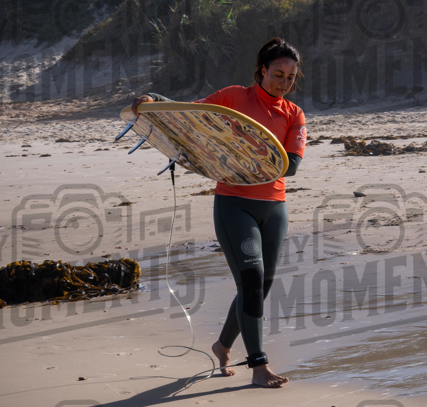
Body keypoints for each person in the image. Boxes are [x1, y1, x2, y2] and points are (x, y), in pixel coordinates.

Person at [131, 37, 306, 388]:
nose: (284, 82)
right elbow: (189, 117)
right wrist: (154, 100)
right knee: (253, 281)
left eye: (290, 77)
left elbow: (290, 167)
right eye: (278, 73)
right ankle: (258, 366)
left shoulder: (294, 114)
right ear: (261, 70)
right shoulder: (231, 99)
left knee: (257, 288)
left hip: (275, 209)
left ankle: (222, 345)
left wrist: (249, 154)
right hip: (234, 204)